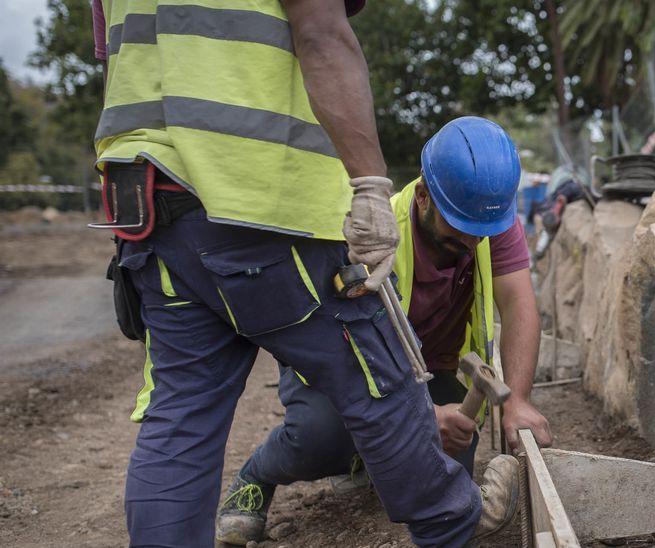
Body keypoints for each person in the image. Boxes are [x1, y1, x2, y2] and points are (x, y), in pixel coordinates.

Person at [92, 1, 510, 546]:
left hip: (149, 203)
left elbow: (115, 59)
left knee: (181, 419)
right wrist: (368, 186)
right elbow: (321, 31)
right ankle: (456, 527)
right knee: (385, 385)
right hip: (262, 199)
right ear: (427, 196)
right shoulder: (407, 212)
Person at [216, 117, 553, 544]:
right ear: (425, 197)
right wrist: (421, 418)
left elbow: (520, 303)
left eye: (481, 233)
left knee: (451, 455)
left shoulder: (487, 223)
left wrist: (518, 400)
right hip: (345, 360)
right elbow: (350, 358)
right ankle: (257, 475)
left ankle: (373, 457)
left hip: (430, 368)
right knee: (319, 439)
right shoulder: (371, 238)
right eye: (460, 232)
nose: (472, 243)